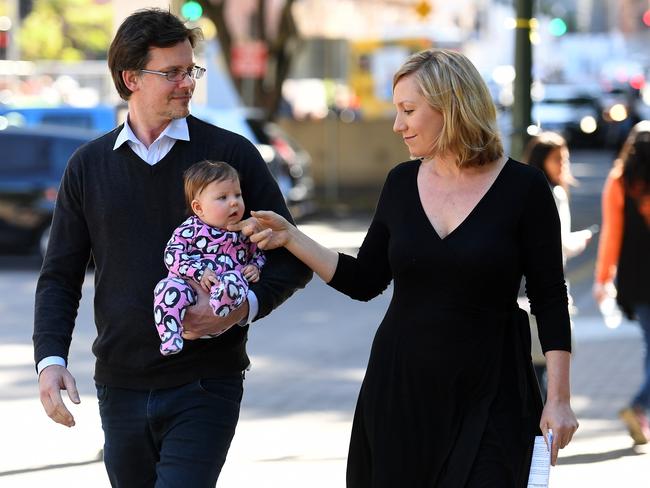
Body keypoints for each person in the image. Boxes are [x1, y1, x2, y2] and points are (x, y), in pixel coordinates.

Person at [233, 49, 578, 487]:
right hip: (402, 388)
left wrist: (560, 399)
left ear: (451, 107)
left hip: (495, 389)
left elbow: (550, 296)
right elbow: (365, 280)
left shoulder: (524, 188)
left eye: (409, 110)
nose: (398, 125)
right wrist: (292, 237)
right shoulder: (400, 182)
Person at [33, 8, 311, 487]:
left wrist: (240, 307)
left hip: (207, 382)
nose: (187, 82)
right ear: (131, 78)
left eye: (191, 70)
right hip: (117, 385)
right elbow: (60, 275)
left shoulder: (232, 155)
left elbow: (292, 255)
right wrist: (51, 360)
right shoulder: (88, 165)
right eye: (172, 72)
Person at [155, 160, 266, 356]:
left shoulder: (244, 231)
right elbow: (172, 255)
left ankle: (223, 302)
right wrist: (198, 272)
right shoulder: (191, 229)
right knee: (166, 289)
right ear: (199, 208)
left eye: (237, 195)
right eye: (223, 197)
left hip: (224, 310)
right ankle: (170, 335)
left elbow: (258, 255)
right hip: (189, 290)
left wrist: (255, 267)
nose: (234, 202)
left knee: (236, 278)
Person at [522, 131, 593, 396]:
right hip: (543, 290)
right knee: (545, 371)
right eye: (557, 159)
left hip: (521, 292)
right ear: (542, 160)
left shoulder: (523, 190)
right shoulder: (554, 193)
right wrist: (579, 242)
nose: (563, 165)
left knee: (531, 370)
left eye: (565, 158)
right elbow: (557, 245)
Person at [593, 120, 650, 445]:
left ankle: (641, 414)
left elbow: (612, 234)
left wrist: (602, 278)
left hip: (635, 277)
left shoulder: (619, 180)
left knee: (649, 343)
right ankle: (639, 406)